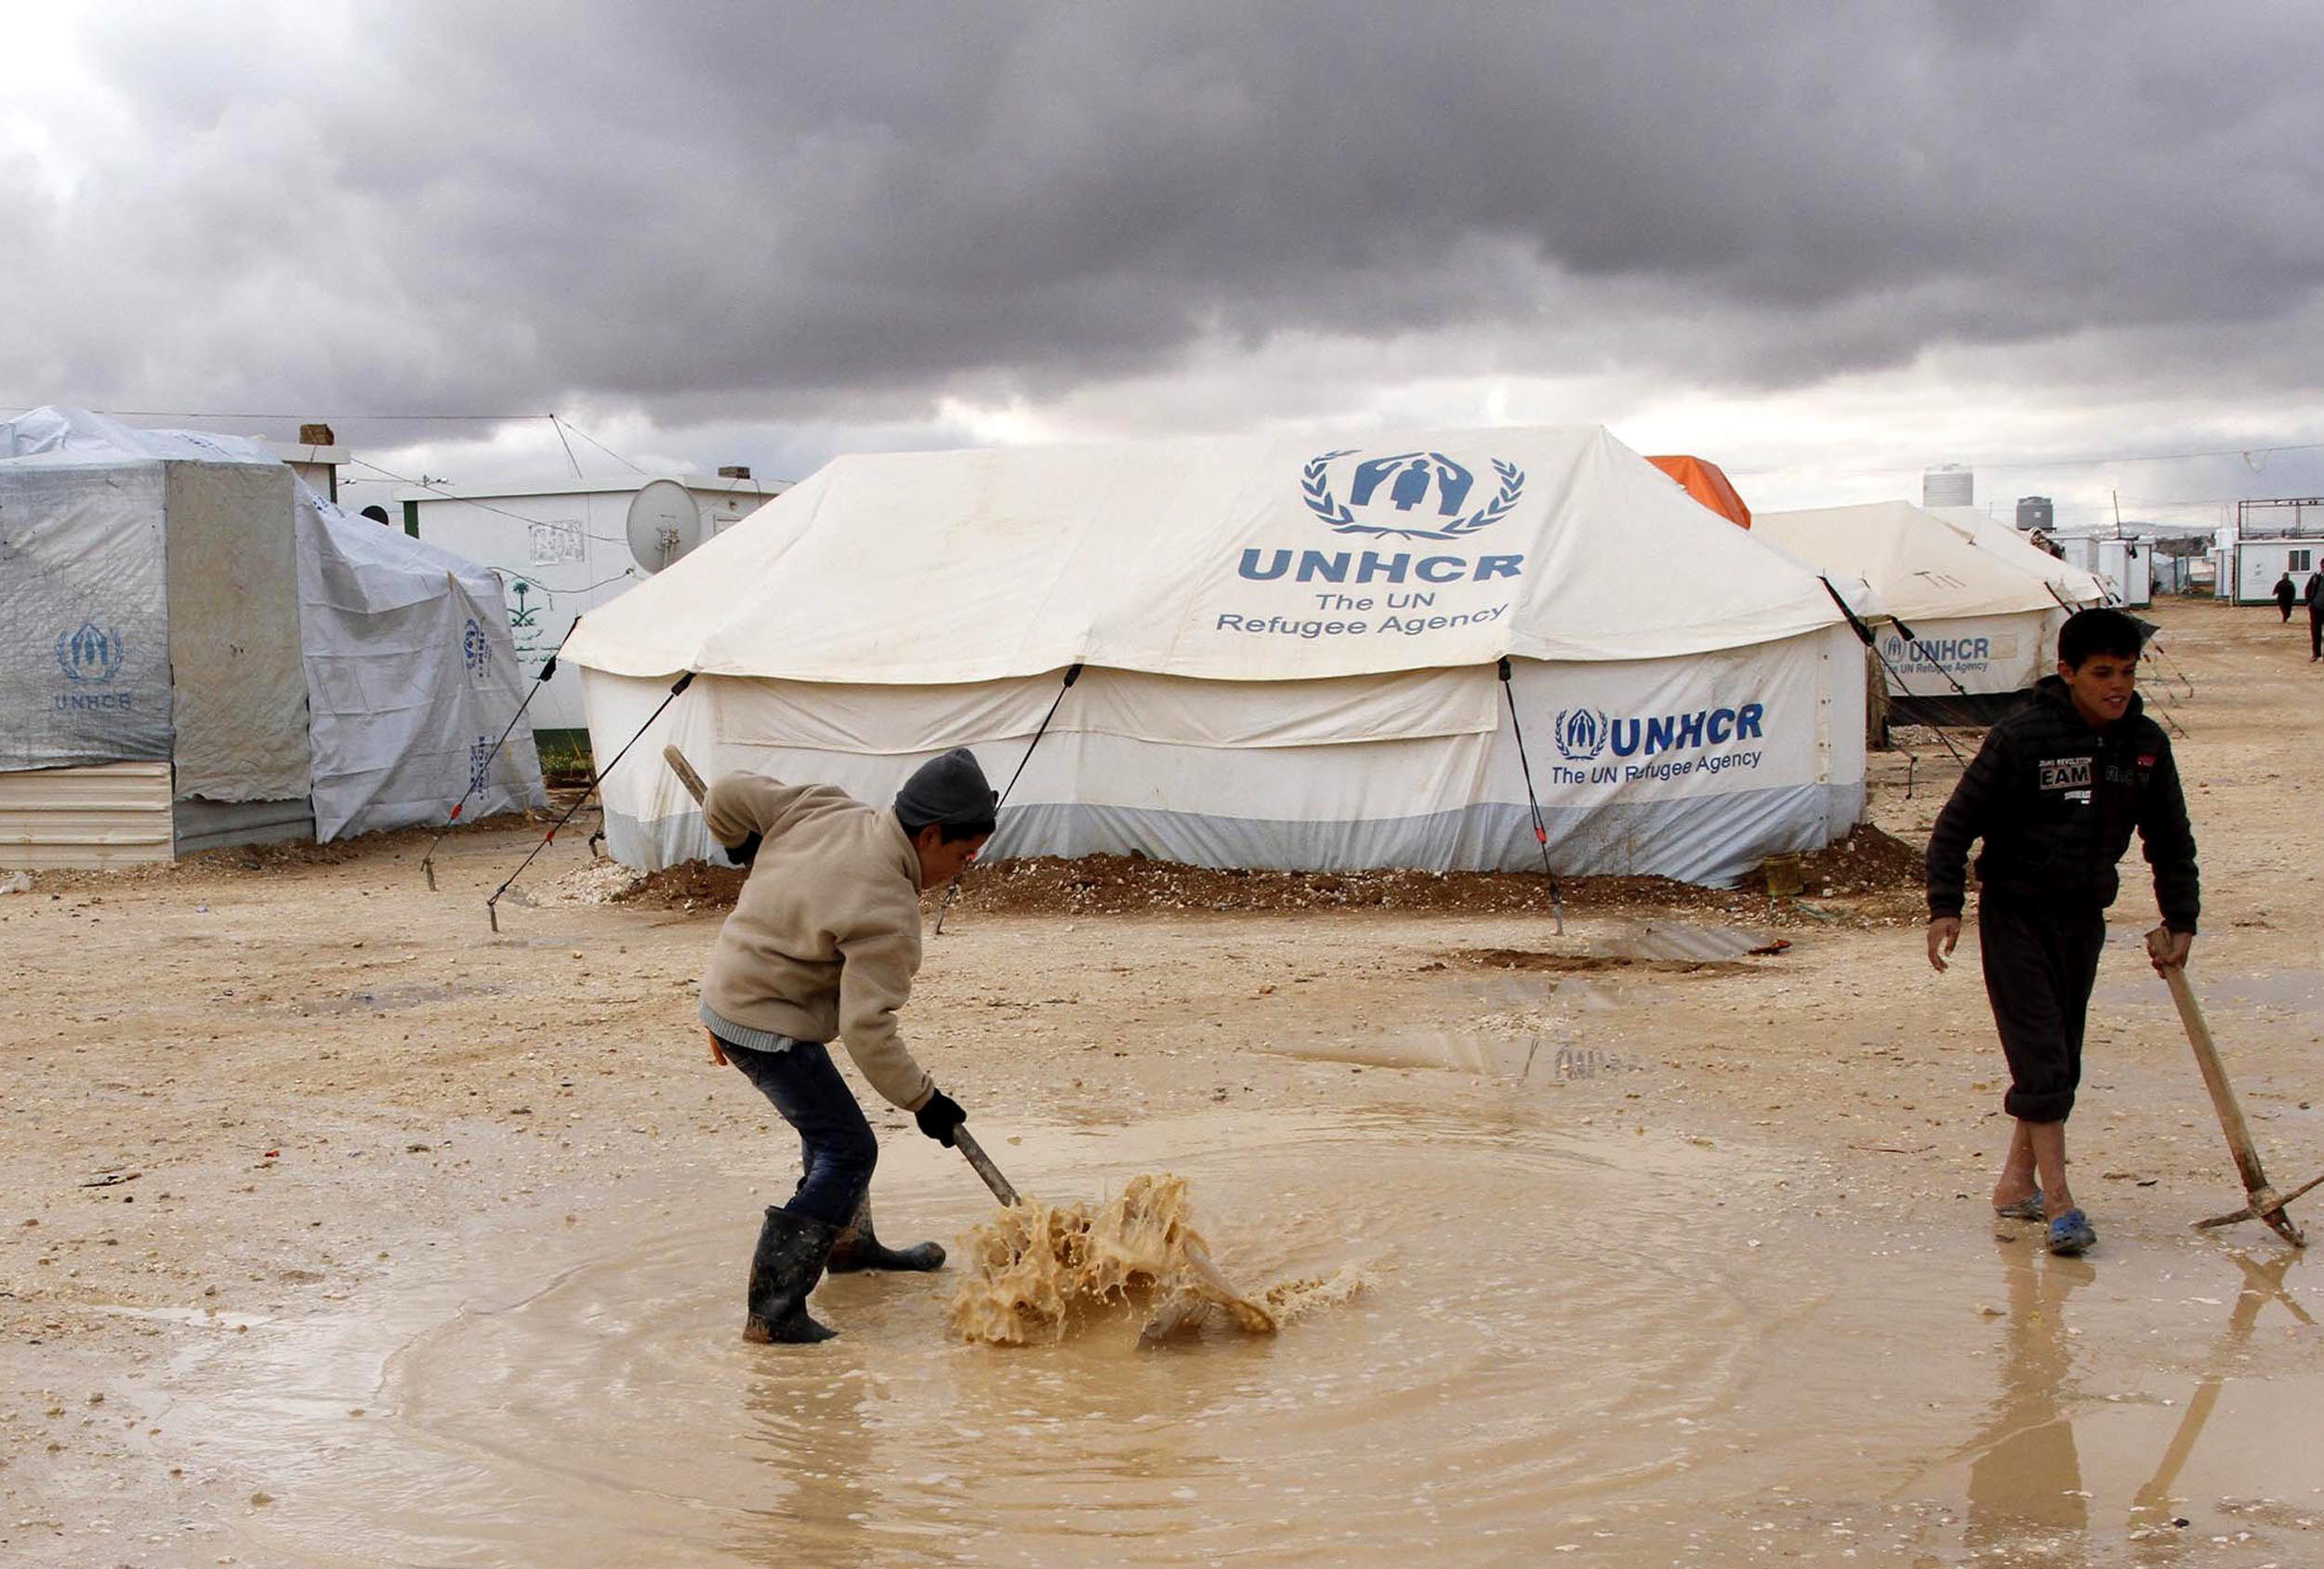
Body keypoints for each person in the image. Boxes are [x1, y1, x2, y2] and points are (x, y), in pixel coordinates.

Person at [1924, 608, 2199, 1258]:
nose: (2118, 687)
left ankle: (2015, 1186)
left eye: (2128, 673)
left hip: (2082, 919)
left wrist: (2180, 917)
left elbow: (2171, 838)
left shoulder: (2146, 745)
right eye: (2102, 673)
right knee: (2043, 1056)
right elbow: (1955, 825)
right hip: (2014, 915)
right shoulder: (2022, 738)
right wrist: (1945, 905)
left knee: (2059, 1060)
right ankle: (2061, 1203)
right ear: (2067, 671)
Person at [698, 748, 995, 1343]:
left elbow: (727, 790)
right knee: (848, 1148)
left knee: (830, 1129)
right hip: (763, 1021)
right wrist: (925, 1101)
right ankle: (773, 1311)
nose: (963, 869)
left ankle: (852, 1248)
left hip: (735, 992)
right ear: (930, 835)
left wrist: (739, 842)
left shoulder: (822, 807)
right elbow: (867, 1030)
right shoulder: (887, 908)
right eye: (962, 855)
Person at [2306, 571, 2323, 660]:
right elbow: (2308, 589)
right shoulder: (2315, 578)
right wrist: (2309, 602)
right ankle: (2316, 654)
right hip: (2316, 609)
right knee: (2316, 632)